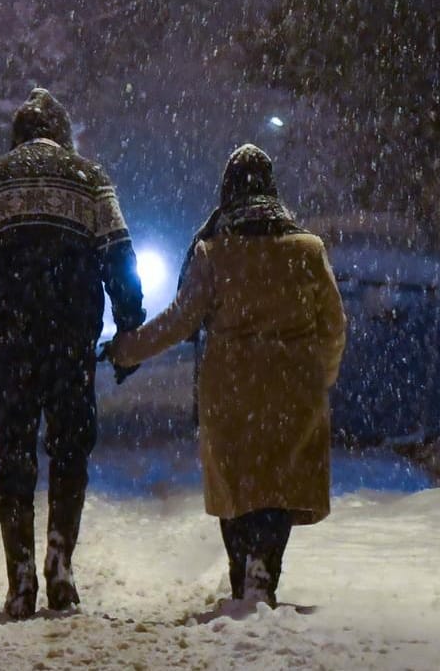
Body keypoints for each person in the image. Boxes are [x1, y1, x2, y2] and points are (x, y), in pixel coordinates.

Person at [0, 88, 145, 619]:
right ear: (63, 132)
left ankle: (20, 577)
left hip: (11, 344)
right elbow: (120, 259)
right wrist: (128, 329)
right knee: (70, 448)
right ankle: (60, 563)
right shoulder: (91, 178)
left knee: (14, 453)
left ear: (17, 134)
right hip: (71, 340)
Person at [105, 144, 346, 607]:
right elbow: (333, 325)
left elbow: (180, 320)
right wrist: (321, 376)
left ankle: (242, 573)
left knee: (237, 489)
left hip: (230, 392)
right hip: (294, 391)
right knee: (279, 486)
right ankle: (264, 570)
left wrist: (125, 350)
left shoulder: (213, 251)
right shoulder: (308, 250)